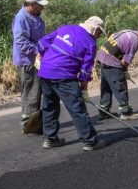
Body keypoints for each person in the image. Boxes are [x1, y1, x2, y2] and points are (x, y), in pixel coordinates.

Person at [37, 16, 106, 150]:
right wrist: (84, 91)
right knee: (77, 109)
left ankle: (50, 139)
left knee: (49, 106)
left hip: (45, 71)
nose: (99, 35)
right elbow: (85, 71)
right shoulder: (90, 42)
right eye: (100, 32)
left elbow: (42, 43)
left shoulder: (65, 28)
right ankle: (90, 141)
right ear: (95, 29)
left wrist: (42, 55)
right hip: (64, 75)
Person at [96, 26, 138, 120]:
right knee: (120, 86)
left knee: (106, 87)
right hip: (111, 61)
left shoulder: (128, 31)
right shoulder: (135, 41)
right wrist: (125, 71)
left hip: (102, 58)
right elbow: (126, 61)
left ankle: (104, 111)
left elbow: (112, 37)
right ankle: (126, 113)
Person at [11, 0, 48, 134]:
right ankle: (28, 124)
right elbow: (20, 41)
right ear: (32, 5)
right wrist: (36, 51)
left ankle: (36, 122)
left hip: (36, 60)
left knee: (38, 91)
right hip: (28, 61)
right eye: (40, 6)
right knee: (31, 92)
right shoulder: (21, 18)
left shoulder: (35, 16)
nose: (42, 8)